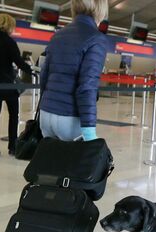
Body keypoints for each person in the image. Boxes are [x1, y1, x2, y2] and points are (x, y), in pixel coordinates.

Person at [39, 0, 108, 142]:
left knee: (52, 163)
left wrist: (45, 105)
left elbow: (44, 76)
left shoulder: (58, 35)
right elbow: (87, 86)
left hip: (46, 114)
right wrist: (89, 132)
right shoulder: (96, 39)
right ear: (101, 9)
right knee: (74, 163)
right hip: (69, 118)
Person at [0, 14, 32, 157]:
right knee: (13, 115)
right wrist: (31, 71)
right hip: (7, 83)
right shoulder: (10, 42)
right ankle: (13, 147)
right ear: (9, 25)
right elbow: (19, 62)